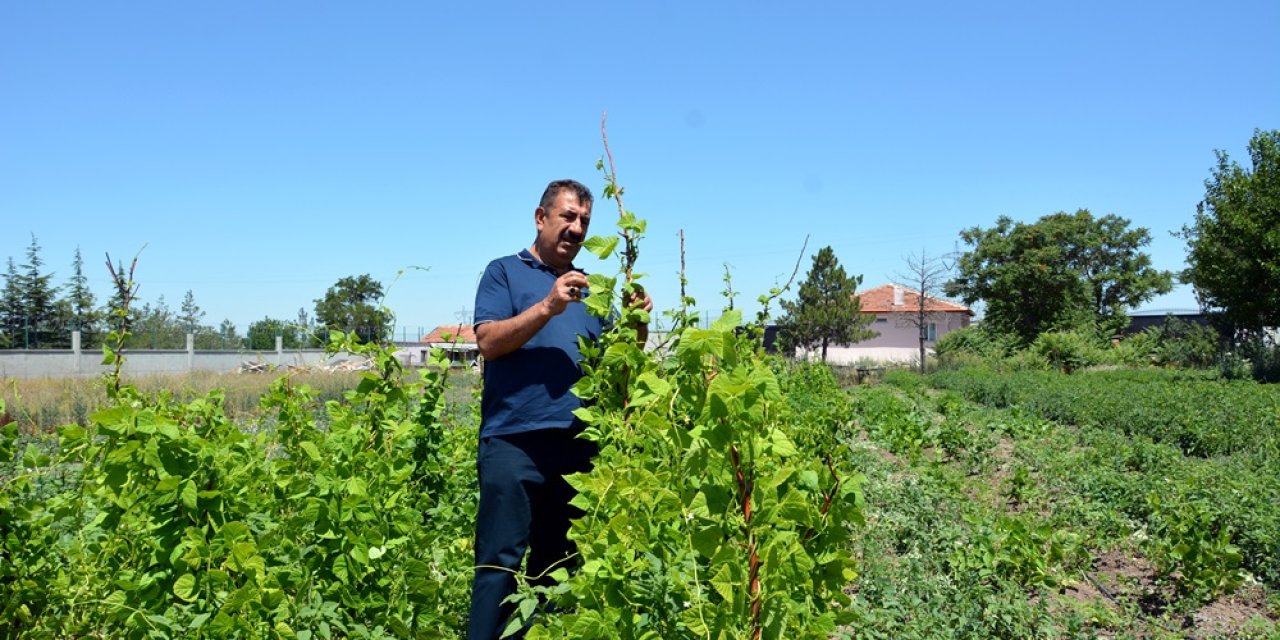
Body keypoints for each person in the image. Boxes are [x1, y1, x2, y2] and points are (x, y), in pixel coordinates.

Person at [467, 179, 651, 639]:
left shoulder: (592, 290)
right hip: (513, 443)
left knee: (561, 567)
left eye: (585, 221)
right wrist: (548, 305)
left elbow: (621, 366)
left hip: (575, 447)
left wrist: (638, 325)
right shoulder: (504, 273)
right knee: (499, 565)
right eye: (568, 216)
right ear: (540, 217)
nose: (576, 228)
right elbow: (488, 342)